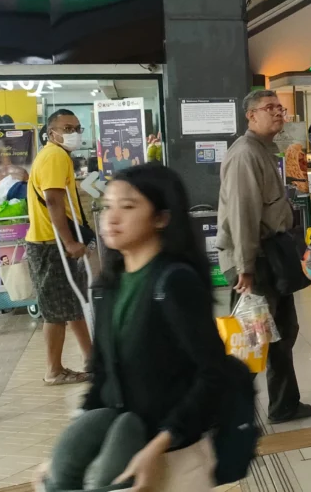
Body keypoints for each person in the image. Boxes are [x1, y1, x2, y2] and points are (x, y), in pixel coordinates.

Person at [43, 164, 228, 490]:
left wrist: (159, 444)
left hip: (173, 453)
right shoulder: (108, 285)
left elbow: (213, 375)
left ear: (161, 218)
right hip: (124, 446)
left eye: (128, 207)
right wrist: (70, 454)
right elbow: (101, 372)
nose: (111, 218)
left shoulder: (174, 282)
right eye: (107, 206)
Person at [218, 90, 311, 424]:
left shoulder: (265, 150)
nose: (278, 113)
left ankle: (284, 404)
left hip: (270, 256)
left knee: (283, 330)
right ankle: (227, 411)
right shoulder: (245, 154)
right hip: (254, 260)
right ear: (251, 115)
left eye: (280, 107)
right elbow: (242, 214)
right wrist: (245, 268)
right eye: (270, 108)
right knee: (253, 338)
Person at [26, 109, 94, 386]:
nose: (73, 133)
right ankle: (54, 370)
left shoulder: (55, 155)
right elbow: (53, 200)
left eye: (77, 128)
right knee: (55, 312)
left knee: (73, 305)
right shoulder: (54, 156)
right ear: (50, 131)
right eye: (67, 128)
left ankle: (93, 359)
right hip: (50, 244)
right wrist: (69, 241)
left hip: (53, 241)